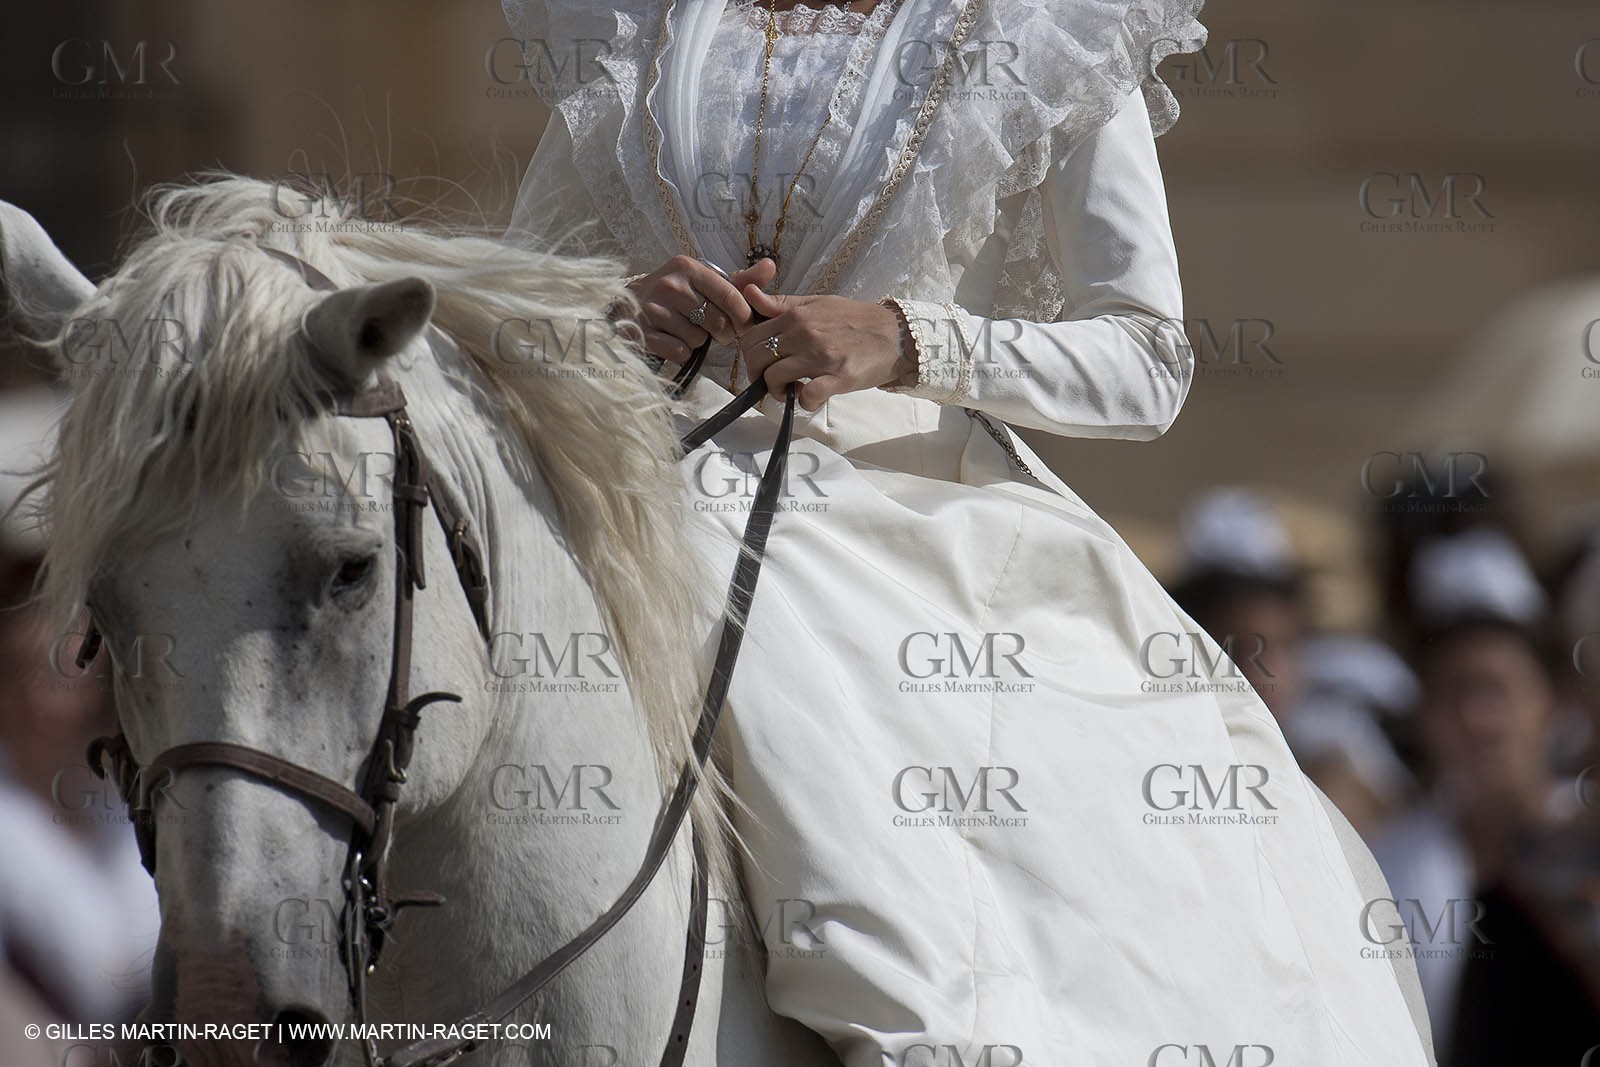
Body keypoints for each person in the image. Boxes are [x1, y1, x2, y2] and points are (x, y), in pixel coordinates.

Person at [502, 1, 1433, 1062]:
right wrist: (613, 312)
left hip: (902, 506)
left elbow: (1145, 361)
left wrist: (908, 340)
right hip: (646, 471)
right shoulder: (647, 24)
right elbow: (507, 301)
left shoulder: (1047, 29)